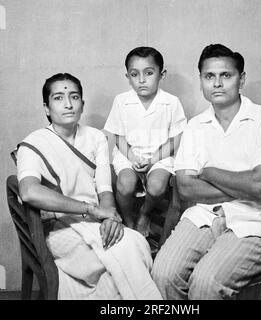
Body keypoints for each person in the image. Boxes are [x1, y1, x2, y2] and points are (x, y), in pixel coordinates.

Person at [152, 44, 261, 300]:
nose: (217, 83)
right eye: (209, 76)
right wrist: (243, 183)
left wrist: (208, 171)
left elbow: (260, 186)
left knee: (206, 283)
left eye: (226, 75)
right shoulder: (196, 126)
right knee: (163, 274)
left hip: (257, 219)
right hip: (205, 215)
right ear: (201, 81)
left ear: (242, 79)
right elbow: (185, 188)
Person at [16, 73, 162, 300]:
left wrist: (110, 217)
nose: (67, 104)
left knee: (133, 244)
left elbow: (105, 188)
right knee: (124, 258)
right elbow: (29, 191)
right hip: (58, 230)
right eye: (58, 98)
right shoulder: (33, 143)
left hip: (96, 223)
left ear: (82, 105)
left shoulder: (95, 138)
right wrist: (91, 209)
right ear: (46, 108)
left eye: (74, 97)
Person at [104, 46, 187, 237]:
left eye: (149, 73)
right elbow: (118, 135)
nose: (142, 80)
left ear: (161, 74)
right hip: (129, 154)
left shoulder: (171, 102)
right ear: (128, 77)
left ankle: (144, 213)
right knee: (125, 184)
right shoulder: (122, 101)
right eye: (135, 74)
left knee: (157, 187)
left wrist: (152, 160)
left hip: (160, 156)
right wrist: (132, 157)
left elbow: (176, 139)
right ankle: (129, 220)